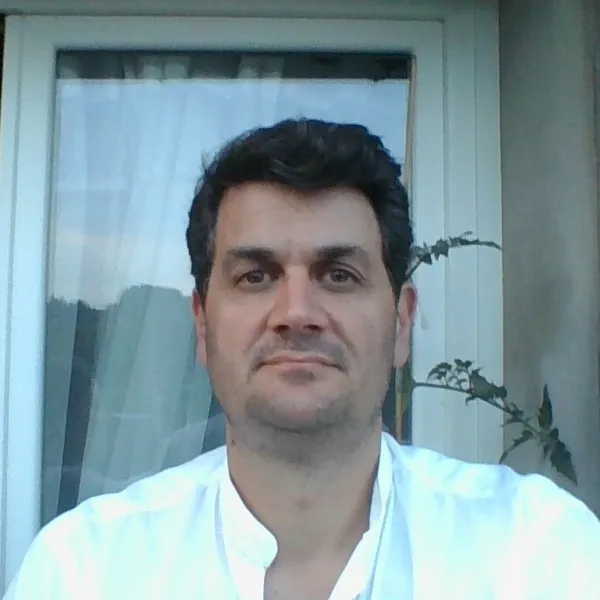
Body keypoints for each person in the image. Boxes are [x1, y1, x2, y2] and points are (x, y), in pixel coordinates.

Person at [5, 118, 600, 599]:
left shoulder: (539, 554)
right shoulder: (84, 572)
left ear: (401, 323)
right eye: (255, 275)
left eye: (338, 275)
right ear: (201, 324)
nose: (296, 312)